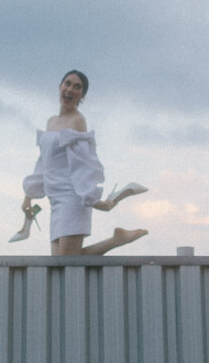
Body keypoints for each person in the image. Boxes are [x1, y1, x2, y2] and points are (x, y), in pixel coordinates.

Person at [20, 70, 148, 256]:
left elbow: (83, 165)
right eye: (67, 83)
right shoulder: (51, 122)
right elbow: (44, 162)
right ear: (60, 86)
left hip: (73, 197)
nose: (70, 89)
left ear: (82, 96)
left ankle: (115, 241)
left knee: (66, 261)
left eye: (77, 87)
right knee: (58, 263)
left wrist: (92, 199)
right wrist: (28, 196)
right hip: (55, 198)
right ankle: (118, 238)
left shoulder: (77, 121)